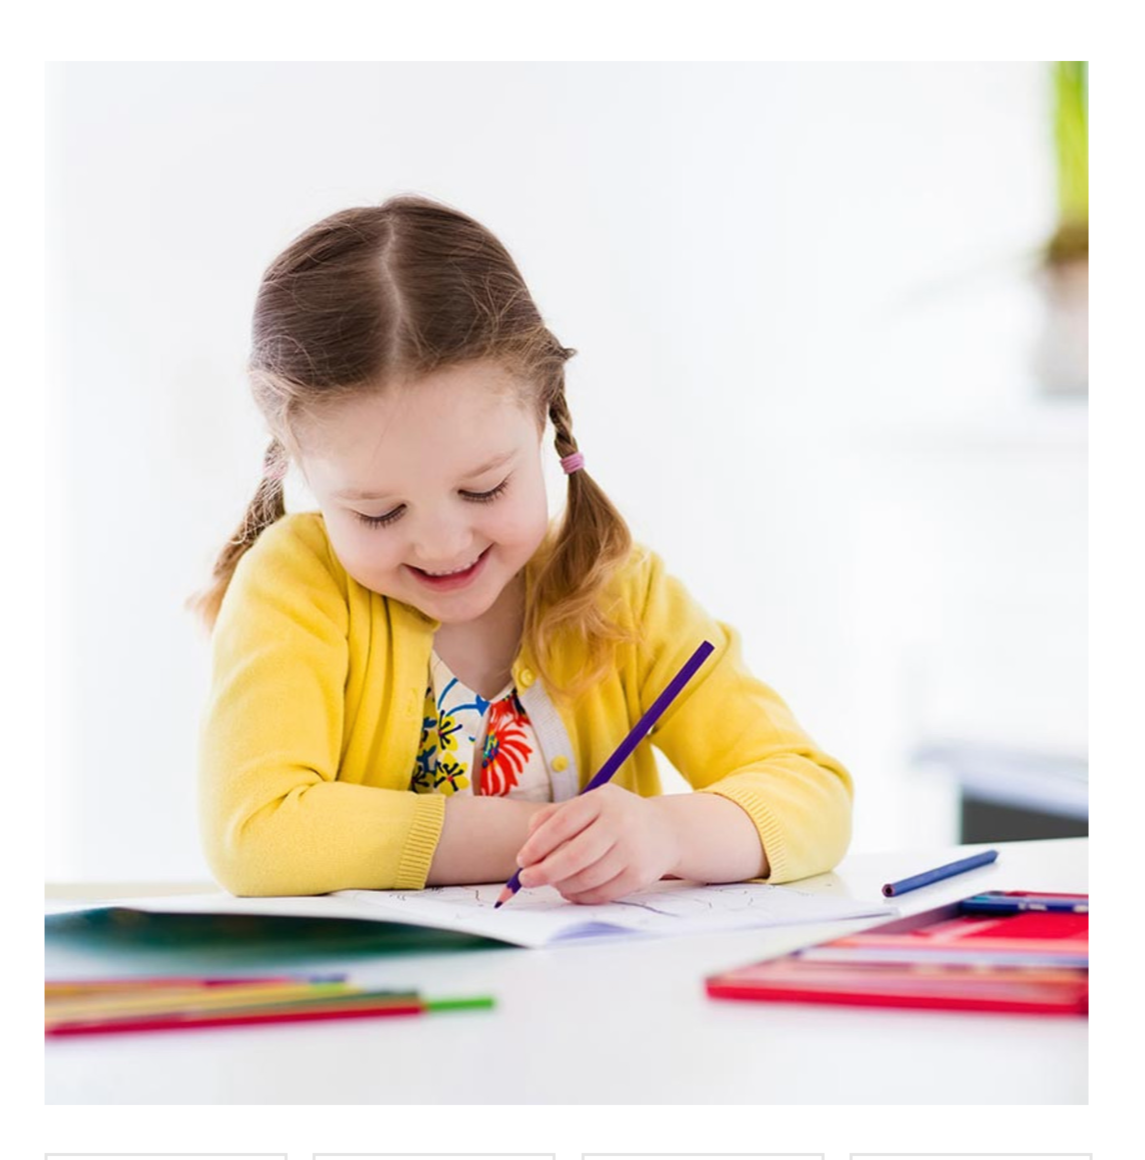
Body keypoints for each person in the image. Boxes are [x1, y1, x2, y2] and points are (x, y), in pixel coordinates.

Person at [192, 195, 852, 902]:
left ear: (543, 417)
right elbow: (257, 835)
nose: (443, 544)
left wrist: (667, 835)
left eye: (482, 490)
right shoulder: (296, 587)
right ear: (297, 465)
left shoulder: (618, 589)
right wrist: (550, 837)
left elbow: (813, 796)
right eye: (379, 513)